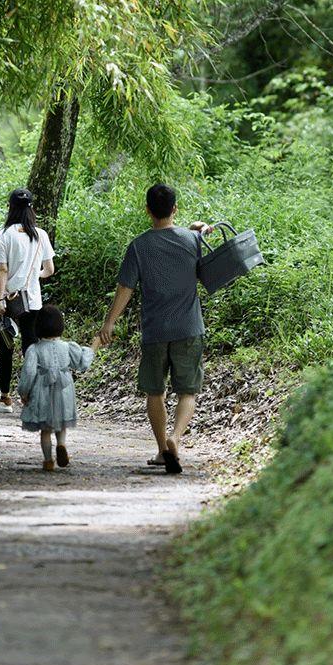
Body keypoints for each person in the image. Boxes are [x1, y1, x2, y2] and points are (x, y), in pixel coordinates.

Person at [100, 183, 212, 474]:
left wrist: (109, 322)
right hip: (189, 327)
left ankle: (163, 448)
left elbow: (126, 287)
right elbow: (204, 258)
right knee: (188, 391)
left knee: (155, 391)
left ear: (148, 210)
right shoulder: (192, 240)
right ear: (174, 209)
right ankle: (176, 438)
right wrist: (199, 230)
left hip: (155, 331)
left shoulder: (139, 246)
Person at [0, 187, 55, 413]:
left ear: (10, 208)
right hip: (33, 301)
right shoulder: (41, 235)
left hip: (9, 301)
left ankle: (5, 399)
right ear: (31, 209)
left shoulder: (4, 236)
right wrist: (31, 275)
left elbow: (2, 270)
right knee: (30, 347)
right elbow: (49, 270)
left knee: (6, 348)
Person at [18, 305, 99, 471]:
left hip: (42, 391)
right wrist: (95, 345)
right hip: (64, 390)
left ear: (38, 327)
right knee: (61, 424)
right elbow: (82, 363)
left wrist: (24, 392)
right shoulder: (68, 347)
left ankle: (48, 461)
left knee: (45, 430)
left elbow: (29, 373)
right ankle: (61, 444)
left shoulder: (34, 349)